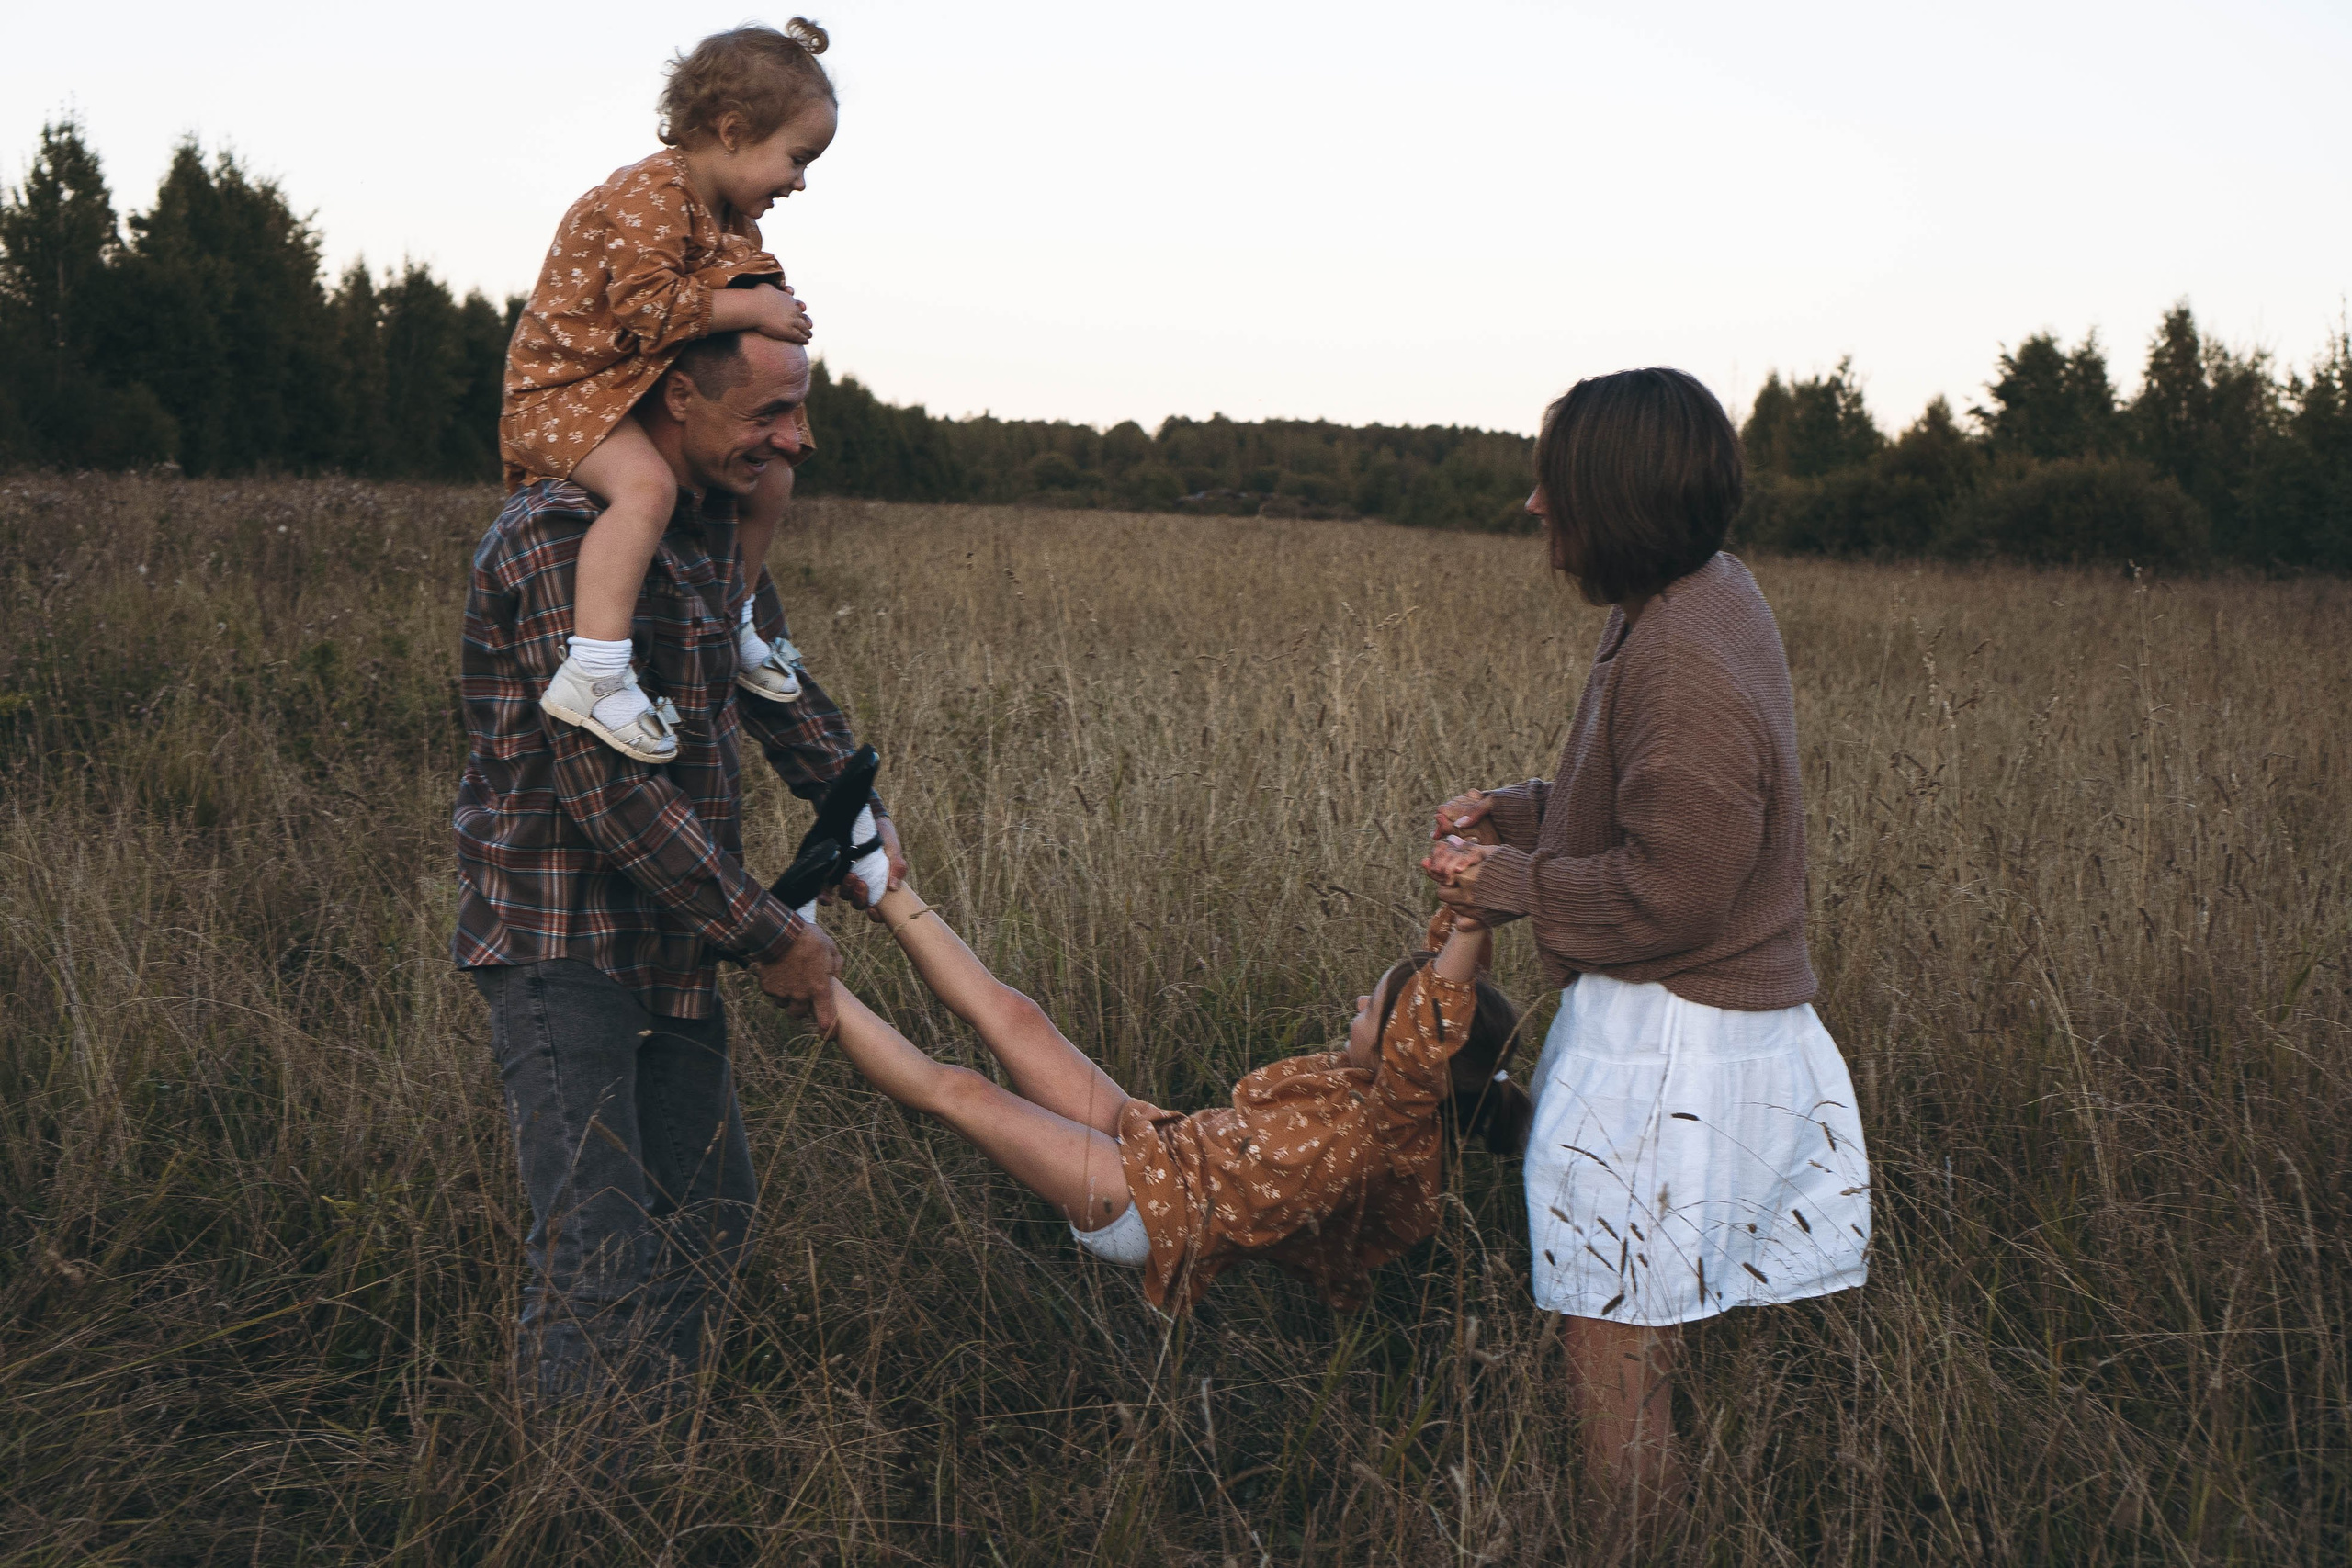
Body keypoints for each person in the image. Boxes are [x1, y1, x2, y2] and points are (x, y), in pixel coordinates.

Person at [1421, 367, 1871, 1532]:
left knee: (1611, 1342)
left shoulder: (1680, 650)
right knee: (1636, 1319)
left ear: (1611, 497)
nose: (1533, 507)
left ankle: (1631, 1547)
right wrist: (1516, 810)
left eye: (1553, 482)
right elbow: (1652, 805)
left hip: (1674, 1038)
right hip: (1684, 1027)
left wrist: (1504, 882)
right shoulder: (1689, 600)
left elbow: (1674, 889)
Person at [454, 327, 905, 1423]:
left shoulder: (710, 530)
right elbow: (605, 792)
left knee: (706, 1215)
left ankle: (659, 1465)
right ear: (675, 397)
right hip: (562, 943)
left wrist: (852, 807)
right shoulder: (559, 537)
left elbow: (775, 683)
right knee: (595, 1241)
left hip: (671, 941)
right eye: (769, 414)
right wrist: (771, 937)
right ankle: (581, 1513)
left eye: (798, 410)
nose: (795, 439)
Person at [822, 894, 1531, 1312]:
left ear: (1418, 1057)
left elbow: (1436, 1019)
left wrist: (1468, 928)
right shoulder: (1387, 1093)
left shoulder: (1395, 1127)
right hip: (1157, 1141)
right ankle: (882, 880)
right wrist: (1467, 899)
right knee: (1017, 1015)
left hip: (1151, 1207)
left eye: (1372, 1006)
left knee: (962, 1091)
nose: (1357, 1003)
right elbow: (1447, 1003)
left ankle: (802, 965)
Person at [502, 19, 840, 762]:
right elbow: (647, 309)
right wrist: (754, 307)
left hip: (629, 390)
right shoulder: (650, 192)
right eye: (797, 157)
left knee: (776, 471)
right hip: (566, 393)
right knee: (648, 489)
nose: (801, 180)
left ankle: (734, 620)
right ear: (730, 131)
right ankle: (592, 670)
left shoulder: (734, 225)